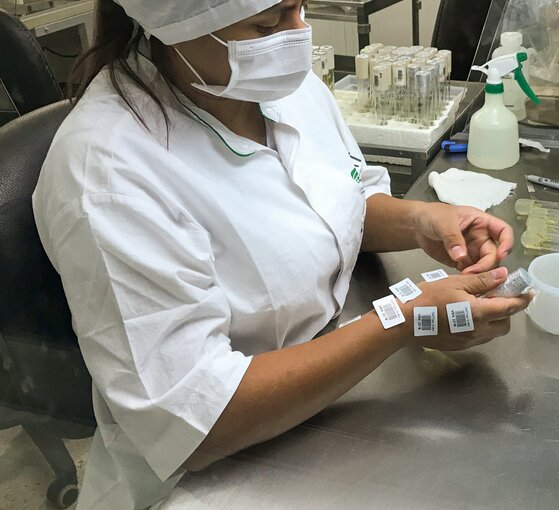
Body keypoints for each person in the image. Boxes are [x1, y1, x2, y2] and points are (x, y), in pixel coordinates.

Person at [31, 0, 532, 508]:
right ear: (176, 25)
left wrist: (419, 221)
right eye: (267, 24)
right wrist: (407, 320)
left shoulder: (273, 84)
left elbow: (337, 198)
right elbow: (199, 422)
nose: (296, 37)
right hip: (211, 477)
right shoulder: (109, 173)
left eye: (300, 8)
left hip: (336, 397)